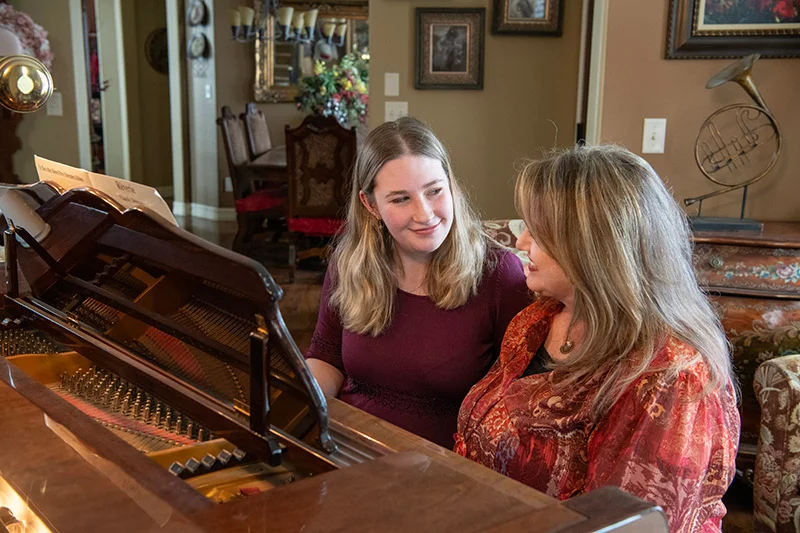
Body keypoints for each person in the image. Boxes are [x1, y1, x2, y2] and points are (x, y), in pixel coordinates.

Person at [454, 145, 740, 532]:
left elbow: (623, 525)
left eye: (537, 232)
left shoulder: (670, 378)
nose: (521, 243)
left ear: (591, 247)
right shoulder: (538, 318)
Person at [305, 117, 531, 449]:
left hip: (447, 469)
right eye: (400, 199)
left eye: (435, 191)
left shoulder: (499, 275)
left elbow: (518, 397)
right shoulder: (350, 263)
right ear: (371, 205)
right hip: (348, 447)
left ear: (451, 185)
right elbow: (326, 359)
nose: (425, 214)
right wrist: (298, 403)